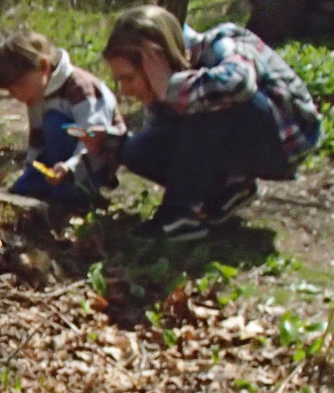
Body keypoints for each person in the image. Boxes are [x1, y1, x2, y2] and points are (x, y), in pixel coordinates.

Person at [77, 5, 322, 241]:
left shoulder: (223, 43)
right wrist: (112, 143)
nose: (125, 90)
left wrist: (171, 86)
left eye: (129, 79)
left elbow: (239, 84)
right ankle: (228, 188)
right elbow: (159, 141)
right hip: (240, 137)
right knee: (133, 149)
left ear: (156, 58)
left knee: (208, 99)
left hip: (285, 140)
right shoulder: (163, 89)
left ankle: (180, 215)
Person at [0, 31, 126, 224]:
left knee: (55, 123)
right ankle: (59, 189)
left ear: (44, 67)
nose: (18, 95)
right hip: (58, 160)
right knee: (22, 188)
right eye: (12, 90)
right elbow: (37, 137)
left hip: (93, 161)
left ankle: (78, 192)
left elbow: (93, 141)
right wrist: (32, 165)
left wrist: (70, 168)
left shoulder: (80, 88)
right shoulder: (36, 94)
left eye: (21, 84)